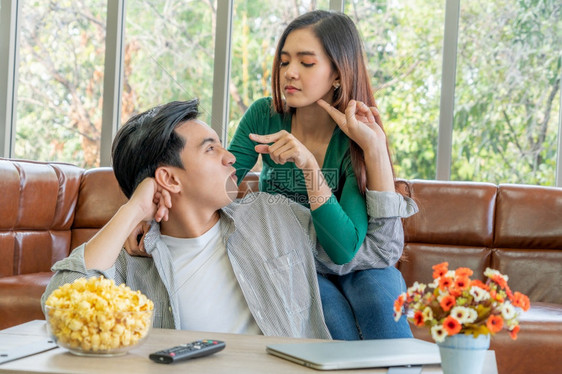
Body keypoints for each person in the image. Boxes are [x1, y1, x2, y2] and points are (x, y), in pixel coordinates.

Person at [40, 99, 406, 339]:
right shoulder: (133, 258)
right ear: (169, 179)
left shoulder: (272, 217)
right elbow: (60, 304)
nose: (231, 157)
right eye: (211, 148)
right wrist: (132, 211)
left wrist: (370, 150)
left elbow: (379, 251)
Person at [227, 10, 417, 340]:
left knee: (381, 311)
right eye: (285, 62)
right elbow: (218, 184)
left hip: (362, 262)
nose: (290, 73)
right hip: (299, 264)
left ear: (338, 75)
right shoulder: (264, 116)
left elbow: (345, 248)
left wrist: (311, 166)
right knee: (335, 329)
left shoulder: (353, 135)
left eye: (306, 62)